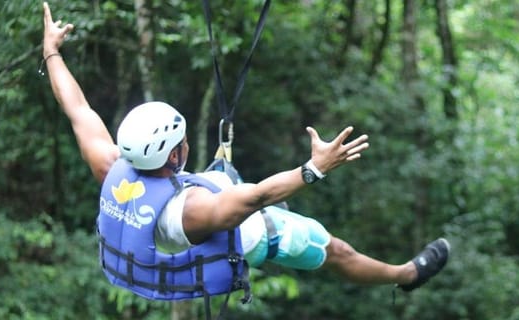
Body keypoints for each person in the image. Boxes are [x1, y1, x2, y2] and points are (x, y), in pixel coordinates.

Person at [40, 1, 449, 304]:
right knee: (334, 251)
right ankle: (405, 274)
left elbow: (78, 110)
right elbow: (257, 198)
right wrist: (316, 168)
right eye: (181, 143)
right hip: (255, 235)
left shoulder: (113, 166)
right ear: (173, 157)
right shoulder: (195, 211)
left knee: (243, 190)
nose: (185, 146)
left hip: (206, 198)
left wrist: (52, 51)